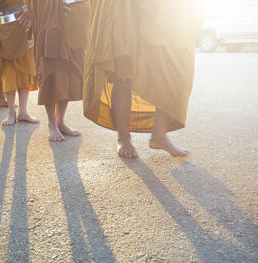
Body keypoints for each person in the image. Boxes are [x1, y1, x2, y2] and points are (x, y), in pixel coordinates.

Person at [83, 0, 204, 157]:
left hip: (169, 14)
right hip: (127, 12)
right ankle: (124, 138)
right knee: (123, 72)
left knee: (175, 74)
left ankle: (159, 135)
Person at [27, 0, 86, 141]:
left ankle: (61, 120)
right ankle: (52, 123)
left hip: (73, 16)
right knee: (52, 70)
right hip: (49, 17)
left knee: (70, 72)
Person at [0, 0, 38, 125]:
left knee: (25, 67)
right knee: (8, 70)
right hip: (2, 24)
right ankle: (11, 112)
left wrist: (31, 7)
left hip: (22, 19)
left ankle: (23, 111)